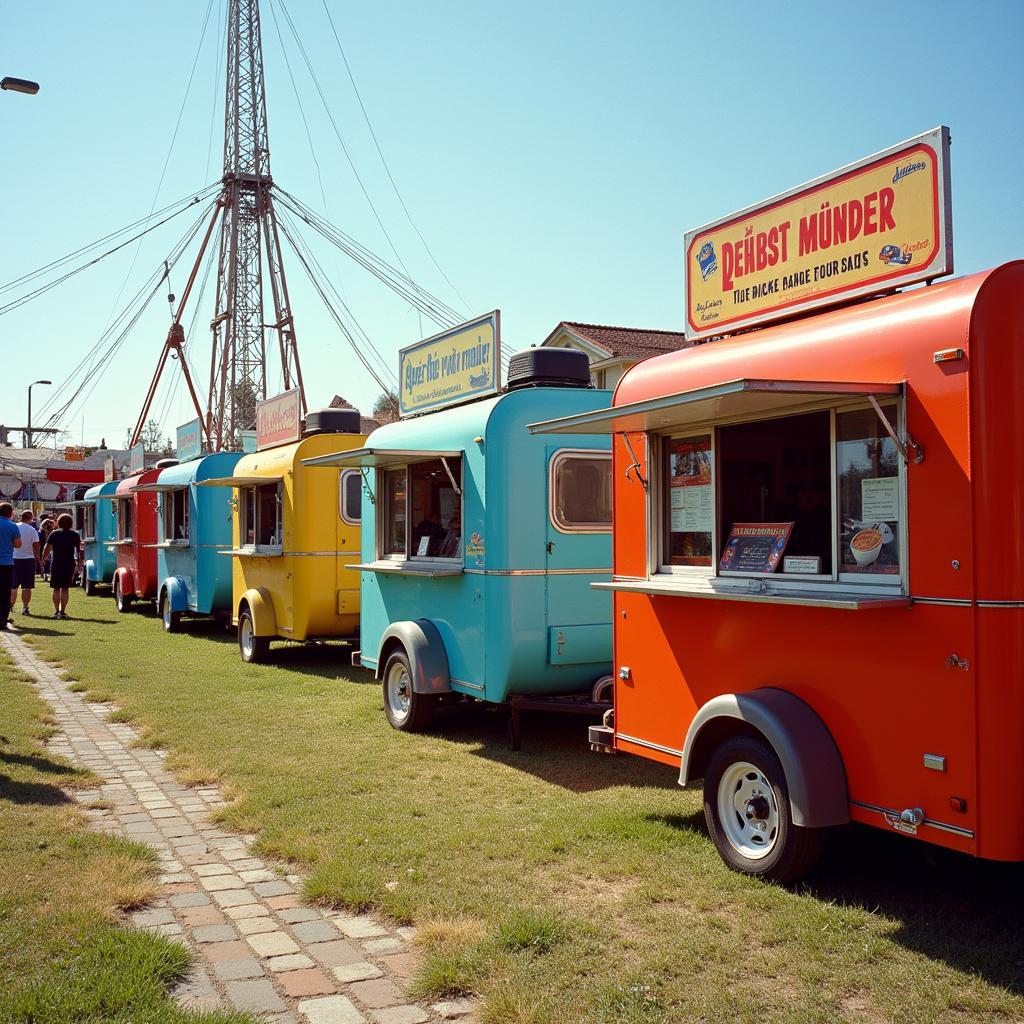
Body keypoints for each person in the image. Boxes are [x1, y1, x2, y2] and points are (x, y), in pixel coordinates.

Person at [42, 513, 81, 620]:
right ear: (70, 523)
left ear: (59, 522)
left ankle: (56, 610)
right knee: (65, 588)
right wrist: (80, 563)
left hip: (56, 563)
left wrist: (44, 558)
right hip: (69, 563)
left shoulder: (54, 534)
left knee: (56, 588)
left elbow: (47, 548)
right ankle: (63, 611)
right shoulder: (75, 535)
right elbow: (79, 550)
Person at [11, 509, 41, 616]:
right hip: (29, 559)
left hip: (14, 558)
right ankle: (24, 607)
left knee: (13, 585)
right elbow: (36, 546)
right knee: (27, 586)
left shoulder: (14, 527)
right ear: (31, 518)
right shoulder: (32, 530)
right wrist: (39, 558)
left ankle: (11, 605)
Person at [0, 502, 23, 630]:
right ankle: (2, 619)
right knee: (4, 592)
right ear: (10, 513)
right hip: (6, 563)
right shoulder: (12, 526)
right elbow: (18, 544)